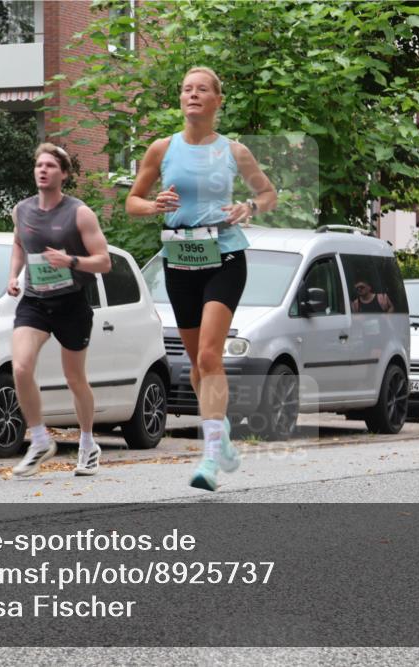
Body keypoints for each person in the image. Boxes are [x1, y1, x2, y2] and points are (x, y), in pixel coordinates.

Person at [126, 66, 277, 491]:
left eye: (202, 90)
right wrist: (153, 205)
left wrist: (250, 206)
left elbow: (268, 194)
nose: (193, 95)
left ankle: (210, 457)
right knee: (197, 364)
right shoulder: (162, 148)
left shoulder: (234, 151)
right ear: (181, 99)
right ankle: (222, 436)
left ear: (217, 100)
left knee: (210, 356)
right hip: (180, 259)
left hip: (225, 256)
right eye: (187, 89)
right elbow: (131, 202)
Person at [9, 143, 111, 477]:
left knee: (74, 378)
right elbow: (19, 244)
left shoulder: (79, 212)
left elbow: (105, 262)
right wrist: (13, 276)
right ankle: (39, 440)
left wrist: (70, 260)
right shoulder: (21, 210)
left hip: (72, 302)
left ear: (63, 174)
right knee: (21, 367)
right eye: (39, 165)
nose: (43, 170)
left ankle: (87, 442)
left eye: (51, 166)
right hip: (35, 301)